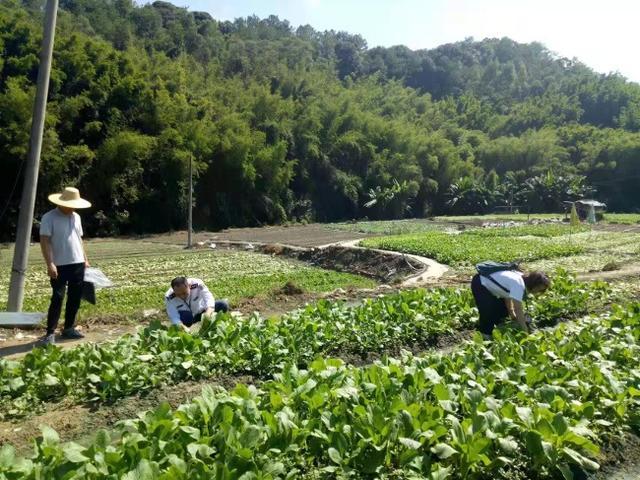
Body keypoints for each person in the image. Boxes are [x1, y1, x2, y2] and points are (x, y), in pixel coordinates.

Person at [39, 187, 92, 345]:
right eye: (71, 204)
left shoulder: (76, 217)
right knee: (57, 297)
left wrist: (85, 259)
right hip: (59, 265)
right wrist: (50, 263)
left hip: (77, 263)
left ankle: (69, 328)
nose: (73, 208)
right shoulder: (49, 217)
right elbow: (45, 241)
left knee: (75, 297)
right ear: (62, 203)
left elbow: (79, 239)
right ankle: (50, 333)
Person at [471, 266, 550, 337]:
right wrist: (525, 332)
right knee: (488, 311)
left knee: (502, 310)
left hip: (489, 285)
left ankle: (497, 327)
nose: (538, 292)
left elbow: (508, 296)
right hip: (480, 283)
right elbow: (518, 309)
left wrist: (512, 315)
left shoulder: (521, 277)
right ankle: (485, 334)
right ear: (534, 284)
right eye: (539, 289)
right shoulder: (519, 284)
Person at [164, 277, 229, 331]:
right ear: (174, 291)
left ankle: (210, 324)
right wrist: (181, 327)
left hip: (201, 313)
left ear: (189, 286)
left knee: (222, 304)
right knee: (181, 321)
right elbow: (173, 316)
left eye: (184, 293)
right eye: (178, 295)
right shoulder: (169, 296)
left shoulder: (197, 284)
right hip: (186, 318)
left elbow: (208, 298)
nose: (182, 297)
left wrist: (208, 313)